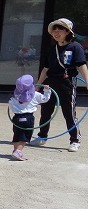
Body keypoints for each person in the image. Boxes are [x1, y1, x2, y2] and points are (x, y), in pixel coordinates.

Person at [31, 18, 88, 152]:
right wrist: (38, 85)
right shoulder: (52, 50)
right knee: (45, 111)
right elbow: (46, 69)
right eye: (54, 30)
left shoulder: (75, 47)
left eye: (60, 29)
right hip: (50, 84)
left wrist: (87, 81)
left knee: (68, 112)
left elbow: (81, 65)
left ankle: (75, 140)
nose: (56, 32)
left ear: (68, 31)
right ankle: (42, 137)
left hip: (67, 83)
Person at [9, 74, 51, 161]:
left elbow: (11, 105)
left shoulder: (16, 95)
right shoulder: (35, 94)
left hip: (16, 118)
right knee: (25, 136)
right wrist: (47, 90)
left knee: (17, 135)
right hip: (28, 118)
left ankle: (16, 150)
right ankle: (18, 151)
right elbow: (45, 99)